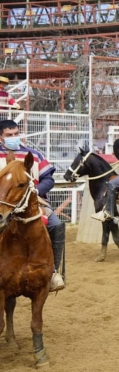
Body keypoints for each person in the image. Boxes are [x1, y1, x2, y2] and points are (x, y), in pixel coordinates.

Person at [0, 119, 66, 292]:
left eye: (16, 134)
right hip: (4, 206)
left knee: (57, 225)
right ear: (1, 138)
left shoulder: (34, 155)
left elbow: (49, 179)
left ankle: (53, 273)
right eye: (9, 135)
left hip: (34, 204)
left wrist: (33, 192)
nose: (14, 137)